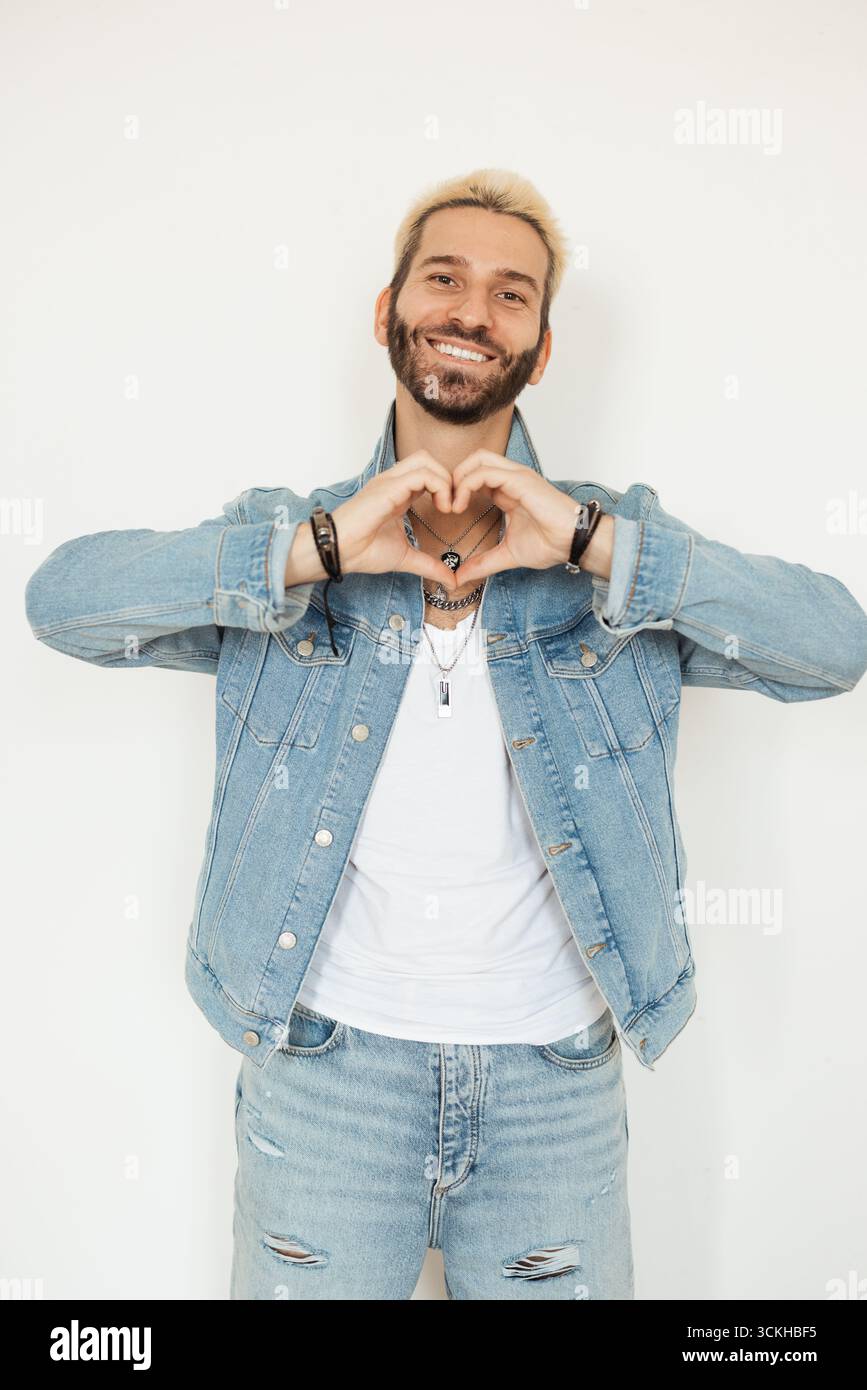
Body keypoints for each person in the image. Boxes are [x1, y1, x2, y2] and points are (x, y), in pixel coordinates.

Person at [24, 168, 867, 1301]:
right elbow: (63, 603)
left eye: (512, 293)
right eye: (445, 277)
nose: (474, 309)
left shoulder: (614, 545)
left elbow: (832, 647)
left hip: (551, 1086)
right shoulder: (293, 537)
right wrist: (316, 548)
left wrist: (591, 541)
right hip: (327, 1079)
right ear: (389, 313)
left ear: (543, 345)